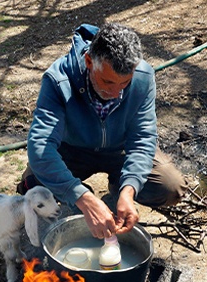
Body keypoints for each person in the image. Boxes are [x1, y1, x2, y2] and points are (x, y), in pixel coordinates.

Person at [17, 22, 187, 239]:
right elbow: (40, 148)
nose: (116, 93)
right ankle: (81, 193)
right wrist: (82, 197)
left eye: (124, 83)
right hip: (72, 152)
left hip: (120, 151)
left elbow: (143, 138)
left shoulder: (143, 76)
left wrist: (130, 189)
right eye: (107, 82)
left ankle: (118, 189)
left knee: (171, 186)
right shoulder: (58, 80)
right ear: (89, 61)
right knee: (35, 187)